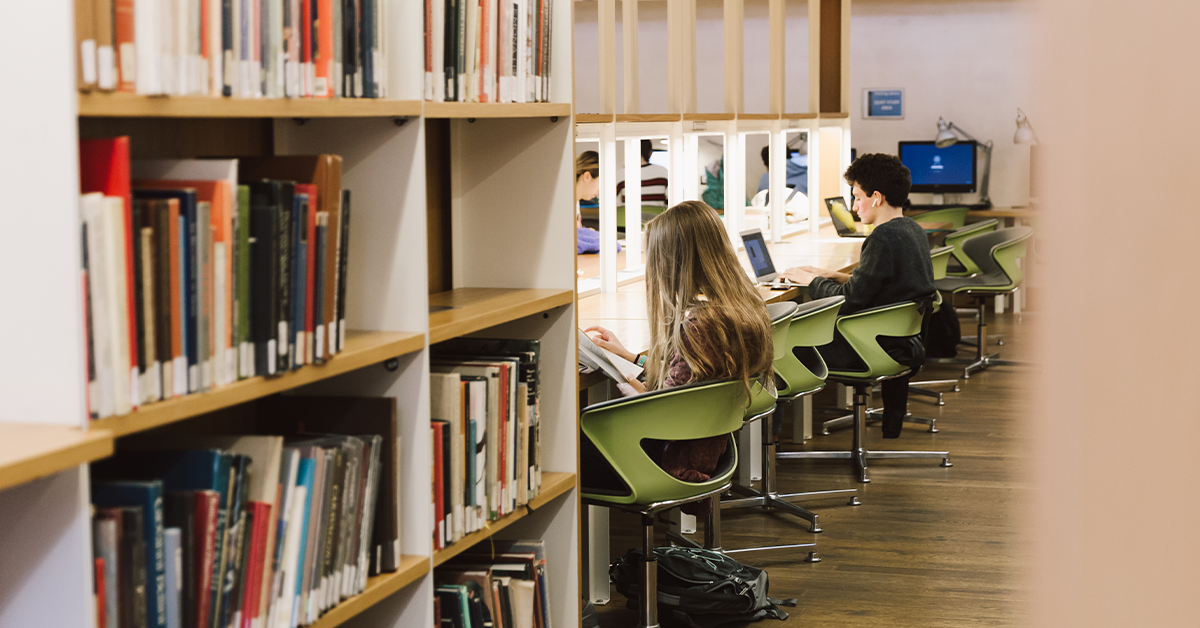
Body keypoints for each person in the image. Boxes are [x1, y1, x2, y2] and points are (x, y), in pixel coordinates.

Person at [582, 201, 773, 505]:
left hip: (670, 462)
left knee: (570, 445)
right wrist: (629, 356)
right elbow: (686, 379)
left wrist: (626, 381)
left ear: (672, 263)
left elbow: (662, 410)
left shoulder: (698, 327)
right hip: (708, 451)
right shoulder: (742, 309)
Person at [780, 153, 935, 438]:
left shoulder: (882, 238)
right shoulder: (911, 229)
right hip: (901, 341)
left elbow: (850, 301)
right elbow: (886, 285)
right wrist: (832, 275)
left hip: (870, 344)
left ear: (876, 197)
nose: (853, 206)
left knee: (781, 343)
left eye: (857, 197)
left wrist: (812, 281)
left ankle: (778, 436)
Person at [616, 139, 669, 207]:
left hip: (628, 216)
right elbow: (671, 200)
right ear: (650, 153)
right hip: (658, 216)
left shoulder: (621, 174)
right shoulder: (663, 172)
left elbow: (614, 202)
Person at [575, 151, 604, 254]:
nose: (599, 190)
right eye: (600, 182)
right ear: (587, 176)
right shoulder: (563, 202)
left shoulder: (575, 202)